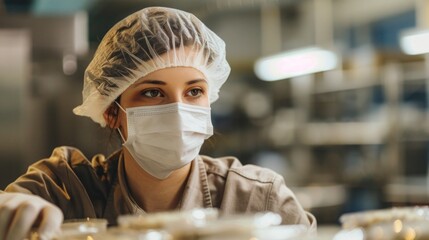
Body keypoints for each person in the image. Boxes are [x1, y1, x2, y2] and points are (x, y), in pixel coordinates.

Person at [0, 6, 316, 239]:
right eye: (153, 92)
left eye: (194, 91)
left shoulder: (256, 199)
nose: (178, 109)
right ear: (112, 112)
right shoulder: (66, 189)